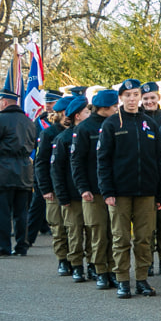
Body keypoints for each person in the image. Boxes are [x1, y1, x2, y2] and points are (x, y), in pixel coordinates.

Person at [97, 79, 161, 298]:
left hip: (146, 192)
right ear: (121, 98)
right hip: (120, 193)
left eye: (136, 94)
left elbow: (159, 160)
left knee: (145, 238)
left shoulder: (150, 124)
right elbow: (103, 160)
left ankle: (143, 279)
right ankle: (123, 280)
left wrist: (160, 192)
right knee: (121, 238)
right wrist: (107, 191)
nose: (133, 99)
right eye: (128, 95)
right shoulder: (111, 125)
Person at [0, 88, 36, 257]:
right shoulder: (28, 121)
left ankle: (3, 247)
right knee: (21, 212)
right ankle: (21, 246)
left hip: (2, 169)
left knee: (1, 212)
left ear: (3, 102)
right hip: (24, 170)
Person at [71, 89, 118, 290]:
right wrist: (83, 188)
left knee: (115, 233)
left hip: (115, 188)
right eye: (115, 106)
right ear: (104, 108)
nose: (118, 109)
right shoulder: (85, 128)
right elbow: (77, 161)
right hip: (93, 190)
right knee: (98, 232)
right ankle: (100, 270)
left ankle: (114, 270)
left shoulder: (117, 124)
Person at [51, 95, 92, 283]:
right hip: (72, 195)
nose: (90, 114)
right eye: (86, 112)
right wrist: (62, 195)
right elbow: (57, 170)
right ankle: (76, 265)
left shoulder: (92, 133)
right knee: (74, 232)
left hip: (90, 194)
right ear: (77, 116)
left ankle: (93, 264)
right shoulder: (63, 138)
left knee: (93, 232)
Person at [35, 96, 72, 273]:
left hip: (72, 186)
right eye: (65, 113)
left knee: (75, 227)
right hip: (54, 188)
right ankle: (63, 259)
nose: (68, 116)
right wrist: (45, 188)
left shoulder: (77, 131)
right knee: (58, 226)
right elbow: (41, 163)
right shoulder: (49, 134)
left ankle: (76, 258)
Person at [141, 81, 161, 277]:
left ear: (158, 98)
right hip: (147, 173)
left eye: (152, 98)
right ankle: (147, 261)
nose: (149, 101)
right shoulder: (139, 118)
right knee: (148, 225)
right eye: (145, 99)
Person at [26, 89, 63, 245]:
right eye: (46, 103)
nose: (48, 106)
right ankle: (27, 239)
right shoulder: (40, 121)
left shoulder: (64, 123)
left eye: (51, 103)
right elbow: (34, 142)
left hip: (61, 167)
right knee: (38, 203)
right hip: (44, 167)